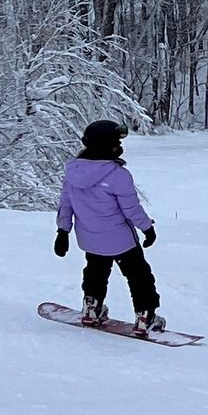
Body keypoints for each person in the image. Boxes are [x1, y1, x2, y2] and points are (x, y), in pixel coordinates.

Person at [54, 120, 165, 333]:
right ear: (106, 146)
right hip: (120, 240)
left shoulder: (72, 172)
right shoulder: (117, 175)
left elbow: (65, 204)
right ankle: (146, 317)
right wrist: (147, 229)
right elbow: (131, 209)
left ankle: (91, 310)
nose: (120, 147)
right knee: (139, 276)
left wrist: (63, 231)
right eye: (116, 143)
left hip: (90, 239)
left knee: (95, 272)